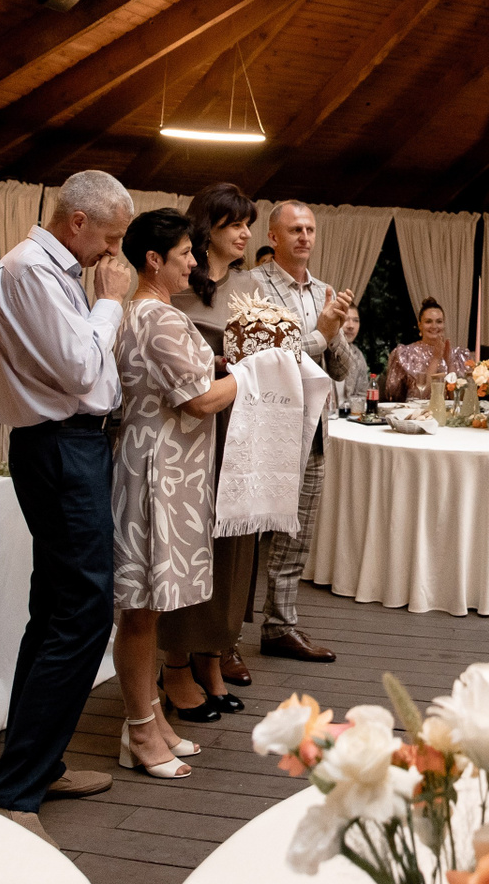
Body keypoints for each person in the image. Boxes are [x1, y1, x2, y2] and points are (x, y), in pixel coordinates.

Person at [0, 170, 133, 841]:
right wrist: (112, 304)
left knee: (54, 613)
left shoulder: (56, 272)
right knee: (83, 615)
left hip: (71, 446)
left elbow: (84, 365)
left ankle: (37, 767)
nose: (113, 252)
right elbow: (79, 369)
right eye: (111, 237)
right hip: (60, 447)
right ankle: (13, 792)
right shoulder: (30, 271)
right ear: (77, 223)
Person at [109, 209, 240, 779]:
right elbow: (200, 400)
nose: (194, 262)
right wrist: (254, 374)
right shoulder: (156, 316)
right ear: (153, 260)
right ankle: (139, 731)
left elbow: (186, 378)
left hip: (164, 468)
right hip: (155, 473)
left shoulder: (147, 313)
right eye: (185, 253)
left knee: (150, 608)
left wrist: (222, 365)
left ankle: (151, 719)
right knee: (140, 612)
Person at [159, 182, 263, 711]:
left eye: (248, 224)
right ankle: (175, 660)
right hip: (189, 427)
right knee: (189, 538)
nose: (245, 234)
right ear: (208, 228)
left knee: (232, 538)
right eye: (235, 224)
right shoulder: (175, 286)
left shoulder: (252, 286)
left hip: (239, 426)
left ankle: (212, 653)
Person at [252, 201, 355, 663]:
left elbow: (341, 369)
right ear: (273, 237)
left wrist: (333, 329)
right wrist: (322, 331)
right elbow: (269, 359)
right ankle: (223, 642)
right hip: (268, 429)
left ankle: (280, 627)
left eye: (310, 229)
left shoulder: (323, 291)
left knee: (296, 538)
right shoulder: (254, 286)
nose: (304, 237)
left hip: (314, 430)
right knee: (250, 538)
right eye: (295, 229)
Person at [382, 297, 474, 401]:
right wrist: (436, 358)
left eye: (439, 321)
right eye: (428, 321)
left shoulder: (458, 355)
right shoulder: (406, 354)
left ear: (444, 324)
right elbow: (419, 397)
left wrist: (449, 362)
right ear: (420, 325)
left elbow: (458, 399)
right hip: (416, 410)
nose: (434, 326)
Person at [335, 305, 370, 412]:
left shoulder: (358, 355)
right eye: (345, 319)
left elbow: (362, 395)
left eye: (356, 320)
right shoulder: (322, 351)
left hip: (348, 416)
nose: (351, 326)